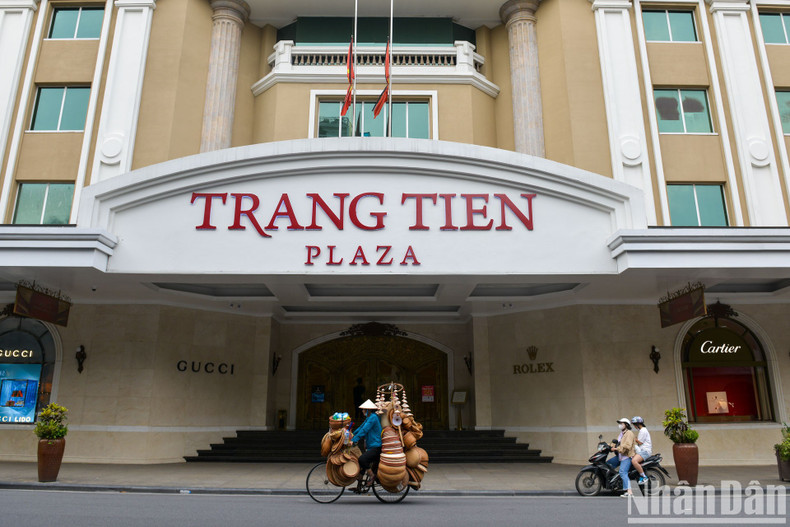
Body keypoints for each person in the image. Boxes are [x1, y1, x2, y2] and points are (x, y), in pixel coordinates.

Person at [351, 399, 381, 487]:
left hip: (377, 447)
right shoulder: (369, 418)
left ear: (368, 409)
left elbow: (364, 430)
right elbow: (361, 427)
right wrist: (352, 435)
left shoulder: (373, 418)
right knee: (362, 464)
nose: (362, 411)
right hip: (371, 447)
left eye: (364, 409)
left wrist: (354, 440)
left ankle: (372, 476)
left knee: (362, 459)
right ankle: (359, 487)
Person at [606, 417, 636, 497]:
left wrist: (616, 448)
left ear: (626, 425)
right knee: (608, 464)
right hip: (620, 456)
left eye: (621, 423)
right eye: (619, 423)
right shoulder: (622, 433)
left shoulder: (629, 433)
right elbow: (616, 443)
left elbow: (627, 446)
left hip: (626, 456)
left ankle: (629, 492)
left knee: (623, 472)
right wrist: (607, 445)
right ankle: (615, 481)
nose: (620, 425)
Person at [630, 416, 652, 485]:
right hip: (642, 450)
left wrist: (634, 438)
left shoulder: (643, 431)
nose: (634, 426)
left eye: (634, 424)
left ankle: (643, 476)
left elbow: (640, 442)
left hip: (645, 451)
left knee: (634, 461)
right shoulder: (642, 430)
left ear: (637, 424)